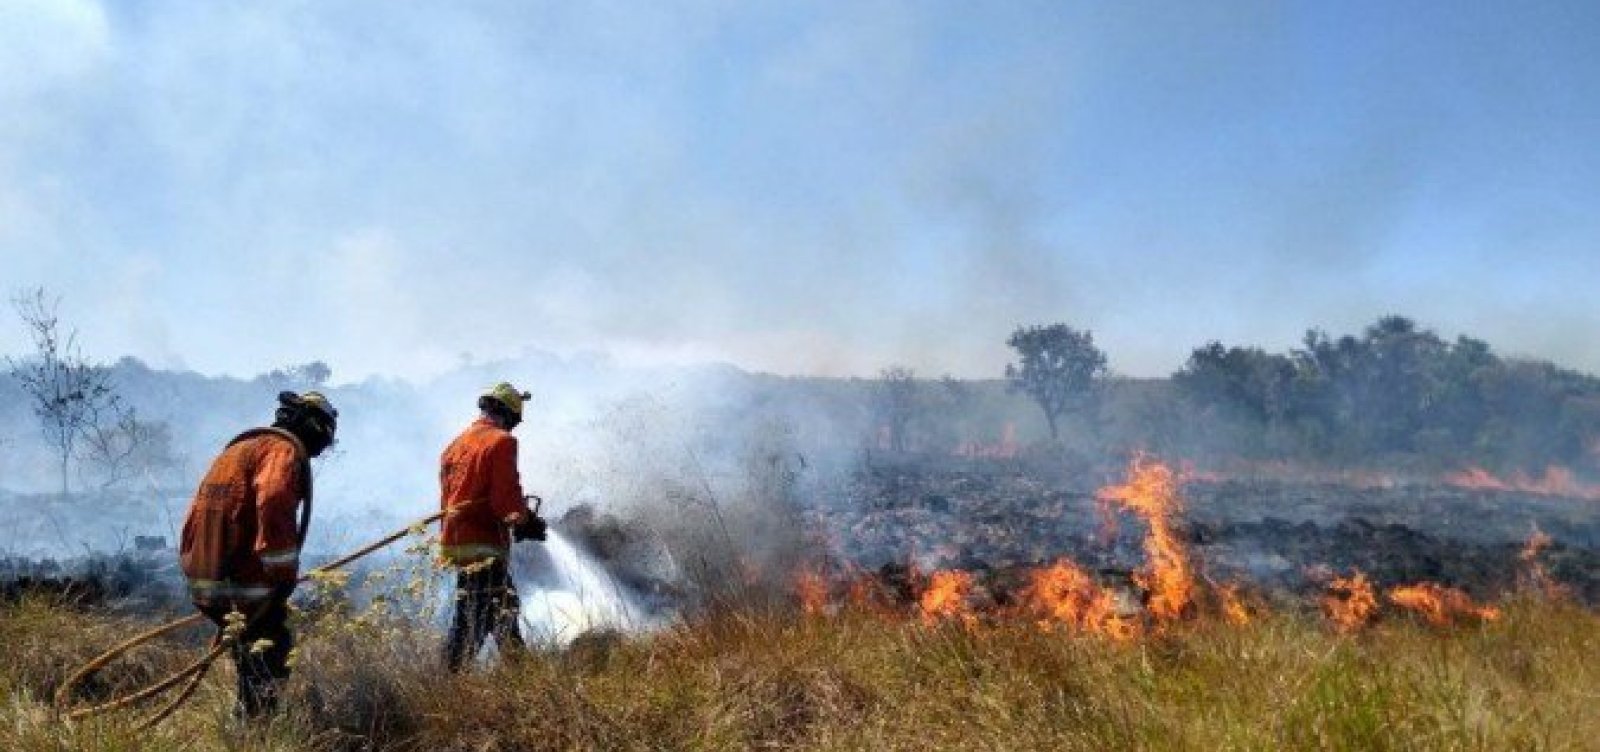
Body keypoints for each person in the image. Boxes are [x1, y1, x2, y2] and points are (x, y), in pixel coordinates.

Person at [178, 390, 337, 719]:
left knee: (249, 653)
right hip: (244, 578)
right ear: (313, 427)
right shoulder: (281, 451)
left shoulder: (239, 450)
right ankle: (257, 731)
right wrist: (282, 575)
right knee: (272, 653)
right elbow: (274, 502)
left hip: (207, 576)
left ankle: (245, 723)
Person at [439, 381, 546, 671]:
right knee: (476, 620)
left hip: (455, 541)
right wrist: (526, 521)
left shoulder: (455, 445)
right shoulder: (501, 442)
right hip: (483, 542)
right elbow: (505, 499)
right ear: (509, 416)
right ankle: (450, 678)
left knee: (495, 612)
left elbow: (453, 497)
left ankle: (519, 675)